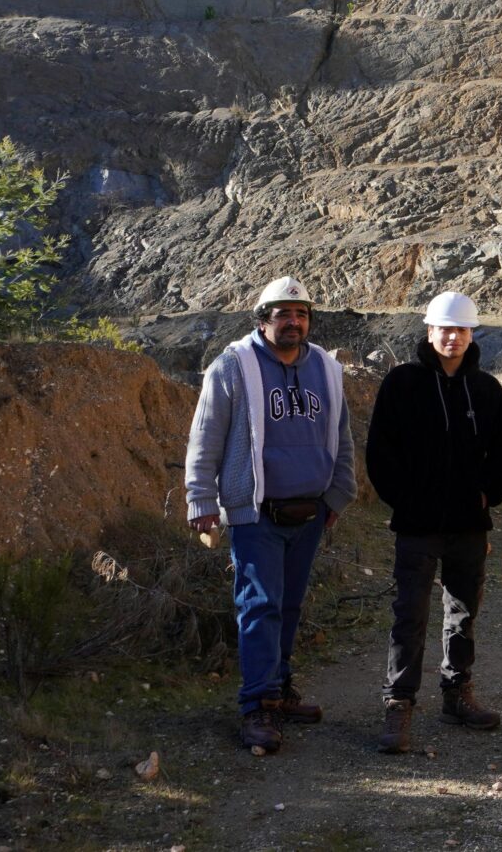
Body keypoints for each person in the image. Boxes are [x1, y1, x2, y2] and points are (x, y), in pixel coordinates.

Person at [185, 276, 356, 753]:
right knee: (259, 606)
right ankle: (257, 705)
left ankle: (280, 691)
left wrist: (338, 495)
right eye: (283, 314)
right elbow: (206, 438)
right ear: (263, 320)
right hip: (256, 512)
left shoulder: (326, 368)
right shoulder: (232, 367)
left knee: (290, 606)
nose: (294, 322)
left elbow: (341, 437)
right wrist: (200, 501)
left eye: (301, 314)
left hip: (310, 512)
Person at [365, 290, 502, 754]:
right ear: (429, 332)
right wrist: (405, 502)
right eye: (444, 329)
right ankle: (399, 703)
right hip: (417, 525)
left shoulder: (486, 391)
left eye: (461, 330)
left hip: (469, 525)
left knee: (463, 613)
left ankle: (457, 694)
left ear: (472, 335)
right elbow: (380, 453)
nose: (452, 337)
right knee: (410, 613)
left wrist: (487, 494)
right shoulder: (402, 384)